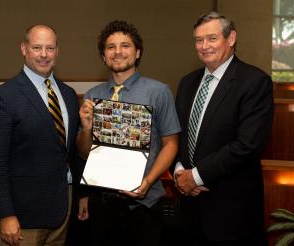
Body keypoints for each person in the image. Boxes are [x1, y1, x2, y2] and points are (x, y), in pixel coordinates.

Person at [172, 12, 274, 245]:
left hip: (231, 215)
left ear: (231, 38)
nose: (204, 46)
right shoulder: (187, 82)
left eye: (212, 38)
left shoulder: (254, 81)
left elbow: (248, 145)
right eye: (199, 40)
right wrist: (179, 172)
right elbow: (176, 135)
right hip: (189, 211)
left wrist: (195, 176)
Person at [76, 20, 180, 246]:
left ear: (137, 52)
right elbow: (84, 153)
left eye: (125, 45)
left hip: (144, 205)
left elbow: (171, 143)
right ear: (104, 56)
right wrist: (86, 128)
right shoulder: (93, 96)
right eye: (111, 47)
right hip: (102, 205)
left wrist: (148, 181)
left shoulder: (158, 92)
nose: (118, 52)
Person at [0, 24, 83, 245]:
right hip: (22, 217)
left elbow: (70, 153)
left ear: (57, 51)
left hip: (62, 210)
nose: (44, 55)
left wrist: (81, 196)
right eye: (37, 47)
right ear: (24, 49)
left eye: (50, 48)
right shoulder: (4, 97)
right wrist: (5, 214)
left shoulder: (69, 95)